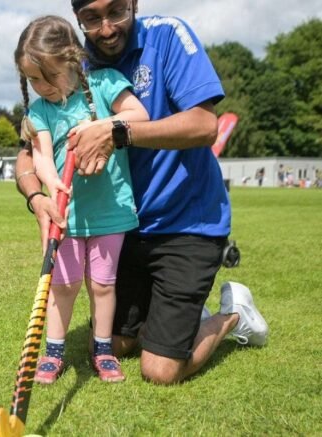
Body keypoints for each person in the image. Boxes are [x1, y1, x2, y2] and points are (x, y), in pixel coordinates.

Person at [15, 0, 268, 385]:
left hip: (187, 226)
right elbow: (28, 159)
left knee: (160, 370)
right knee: (114, 343)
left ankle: (233, 315)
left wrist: (114, 133)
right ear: (76, 17)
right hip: (129, 227)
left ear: (134, 3)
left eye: (116, 11)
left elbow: (205, 126)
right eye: (91, 18)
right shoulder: (66, 69)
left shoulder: (167, 35)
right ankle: (175, 314)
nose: (106, 28)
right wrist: (38, 198)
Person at [15, 15, 148, 383]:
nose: (40, 86)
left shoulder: (107, 84)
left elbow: (139, 114)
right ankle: (53, 352)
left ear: (72, 60)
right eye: (32, 80)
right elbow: (40, 154)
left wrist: (100, 126)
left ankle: (103, 348)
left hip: (111, 211)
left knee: (103, 285)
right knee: (64, 285)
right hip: (67, 214)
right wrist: (54, 183)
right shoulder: (40, 110)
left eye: (47, 76)